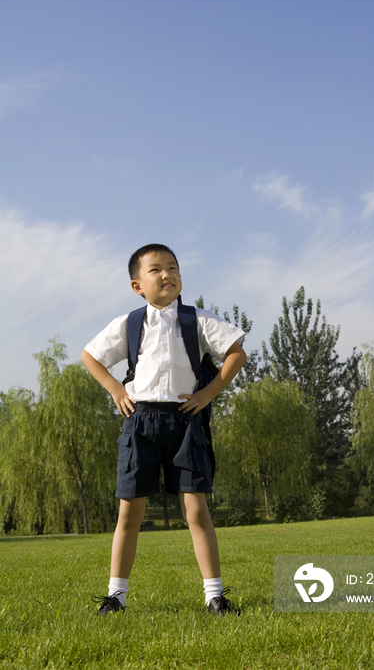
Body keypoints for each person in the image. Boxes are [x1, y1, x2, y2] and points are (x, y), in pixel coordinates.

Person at [81, 243, 247, 616]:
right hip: (139, 422)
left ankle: (214, 596)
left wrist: (208, 393)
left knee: (196, 510)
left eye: (173, 267)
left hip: (185, 421)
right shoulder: (129, 323)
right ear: (137, 285)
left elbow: (236, 352)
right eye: (155, 269)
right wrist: (113, 388)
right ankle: (116, 597)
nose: (167, 274)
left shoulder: (197, 319)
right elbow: (90, 356)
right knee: (129, 513)